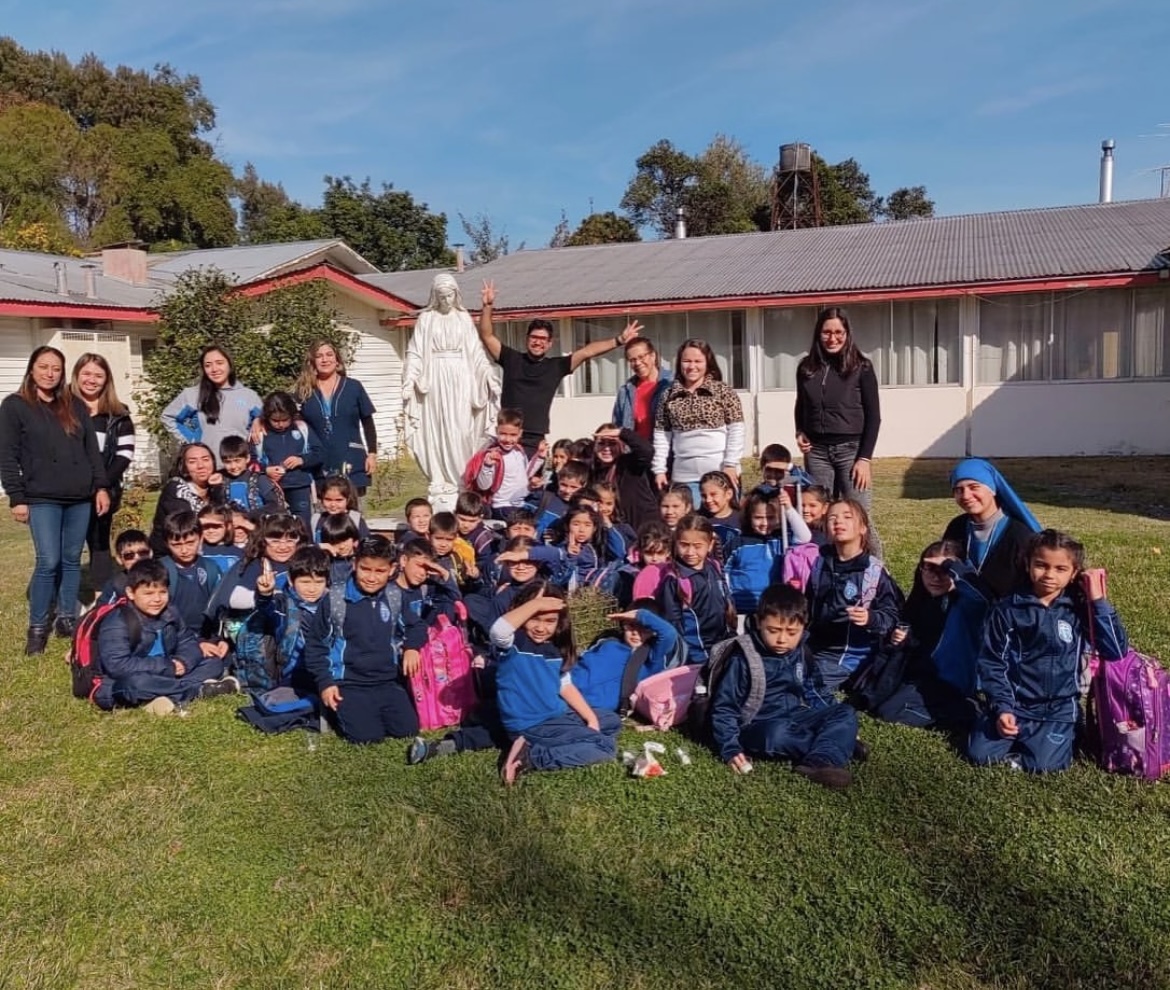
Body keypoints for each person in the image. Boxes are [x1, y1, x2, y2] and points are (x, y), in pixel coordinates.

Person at [967, 530, 1129, 773]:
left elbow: (1115, 650)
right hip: (1017, 704)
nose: (1049, 575)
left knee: (1045, 766)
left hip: (1058, 708)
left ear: (1074, 573)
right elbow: (992, 663)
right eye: (1041, 565)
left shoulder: (1078, 608)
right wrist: (1003, 708)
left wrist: (1098, 601)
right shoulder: (1007, 609)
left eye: (1060, 569)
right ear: (1028, 564)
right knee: (979, 756)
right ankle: (1006, 727)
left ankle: (1066, 731)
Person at [0, 346, 110, 653]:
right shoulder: (15, 406)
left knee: (72, 560)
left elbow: (91, 452)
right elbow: (7, 455)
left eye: (56, 368)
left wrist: (100, 487)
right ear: (32, 369)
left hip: (79, 497)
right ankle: (37, 627)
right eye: (44, 367)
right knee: (48, 560)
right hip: (40, 497)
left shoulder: (73, 405)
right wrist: (16, 497)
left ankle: (66, 619)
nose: (50, 373)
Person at [710, 585, 860, 790]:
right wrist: (730, 748)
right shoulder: (743, 659)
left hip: (794, 715)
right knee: (777, 735)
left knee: (845, 712)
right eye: (773, 631)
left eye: (791, 632)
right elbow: (725, 708)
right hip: (758, 725)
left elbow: (814, 688)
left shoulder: (800, 652)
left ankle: (820, 760)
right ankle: (839, 744)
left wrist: (831, 714)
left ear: (803, 628)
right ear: (758, 623)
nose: (782, 639)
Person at [478, 279, 643, 458]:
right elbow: (487, 335)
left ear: (549, 344)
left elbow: (587, 352)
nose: (537, 342)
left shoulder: (555, 366)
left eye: (543, 339)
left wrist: (619, 340)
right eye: (534, 337)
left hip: (535, 439)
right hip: (507, 433)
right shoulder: (511, 359)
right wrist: (487, 306)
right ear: (527, 339)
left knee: (530, 483)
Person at [492, 582, 623, 785]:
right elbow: (499, 630)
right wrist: (537, 603)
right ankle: (531, 757)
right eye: (534, 617)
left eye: (550, 621)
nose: (541, 627)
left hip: (557, 715)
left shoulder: (553, 649)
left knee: (610, 720)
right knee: (606, 747)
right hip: (532, 724)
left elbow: (565, 685)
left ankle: (575, 739)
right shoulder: (514, 644)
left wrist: (591, 719)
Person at [303, 535, 420, 745]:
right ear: (355, 564)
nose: (372, 577)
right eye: (366, 569)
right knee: (367, 737)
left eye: (380, 571)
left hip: (387, 680)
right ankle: (335, 712)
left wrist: (412, 647)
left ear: (392, 569)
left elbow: (417, 626)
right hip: (349, 683)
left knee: (407, 730)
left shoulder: (395, 596)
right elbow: (315, 645)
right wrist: (325, 682)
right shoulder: (335, 600)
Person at [402, 274, 502, 507]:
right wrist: (409, 379)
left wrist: (488, 376)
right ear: (434, 297)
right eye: (441, 296)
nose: (446, 300)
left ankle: (460, 478)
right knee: (436, 429)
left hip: (461, 379)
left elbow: (476, 352)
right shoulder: (426, 318)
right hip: (434, 379)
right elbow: (415, 352)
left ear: (456, 295)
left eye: (449, 296)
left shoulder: (462, 317)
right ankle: (439, 478)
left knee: (460, 429)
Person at [91, 559, 239, 714]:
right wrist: (169, 667)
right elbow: (117, 666)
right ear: (130, 593)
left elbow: (187, 641)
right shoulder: (117, 621)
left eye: (162, 592)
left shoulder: (170, 612)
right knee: (137, 683)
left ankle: (163, 697)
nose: (157, 599)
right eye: (148, 593)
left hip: (168, 674)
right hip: (123, 682)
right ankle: (199, 690)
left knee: (212, 663)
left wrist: (183, 662)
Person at [794, 308, 883, 558]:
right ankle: (826, 566)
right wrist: (800, 430)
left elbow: (874, 417)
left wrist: (864, 459)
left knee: (859, 515)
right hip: (817, 452)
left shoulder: (861, 367)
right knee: (821, 515)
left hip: (851, 451)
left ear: (847, 334)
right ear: (818, 334)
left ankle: (875, 570)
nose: (832, 338)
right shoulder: (806, 368)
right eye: (826, 332)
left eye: (838, 332)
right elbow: (801, 405)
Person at [802, 499, 901, 699]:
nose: (839, 521)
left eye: (847, 517)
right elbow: (808, 606)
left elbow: (894, 615)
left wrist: (870, 618)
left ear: (863, 528)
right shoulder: (819, 563)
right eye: (832, 517)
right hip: (814, 646)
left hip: (851, 654)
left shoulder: (873, 572)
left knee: (805, 686)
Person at [71, 353, 135, 593]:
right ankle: (64, 601)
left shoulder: (118, 413)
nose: (92, 380)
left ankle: (102, 597)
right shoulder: (62, 410)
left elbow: (124, 454)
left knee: (98, 544)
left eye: (98, 375)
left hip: (103, 491)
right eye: (86, 373)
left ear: (107, 379)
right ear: (76, 375)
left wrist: (101, 485)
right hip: (67, 490)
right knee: (66, 549)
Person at [652, 339, 745, 498]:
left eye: (698, 361)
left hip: (720, 474)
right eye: (686, 361)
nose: (692, 366)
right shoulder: (668, 395)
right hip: (684, 478)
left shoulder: (723, 391)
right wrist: (659, 470)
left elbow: (736, 430)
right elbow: (662, 436)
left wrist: (730, 465)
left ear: (707, 362)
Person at [295, 338, 378, 496]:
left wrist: (372, 454)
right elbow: (284, 415)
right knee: (325, 515)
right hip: (319, 463)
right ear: (313, 361)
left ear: (337, 359)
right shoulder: (304, 390)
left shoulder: (353, 387)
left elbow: (368, 422)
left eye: (329, 354)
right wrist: (259, 421)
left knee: (353, 515)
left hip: (350, 459)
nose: (325, 359)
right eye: (319, 356)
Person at [161, 345, 262, 466]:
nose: (214, 369)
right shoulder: (192, 394)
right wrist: (192, 440)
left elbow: (268, 421)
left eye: (219, 363)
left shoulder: (249, 395)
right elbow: (168, 417)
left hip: (240, 469)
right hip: (208, 469)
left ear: (229, 364)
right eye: (208, 365)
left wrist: (259, 419)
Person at [659, 513, 734, 665]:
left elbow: (726, 601)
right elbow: (673, 625)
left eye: (697, 546)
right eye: (684, 545)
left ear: (710, 544)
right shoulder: (675, 580)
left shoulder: (714, 566)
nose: (690, 552)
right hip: (696, 656)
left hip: (723, 646)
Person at [254, 390, 322, 531]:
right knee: (274, 527)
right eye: (275, 421)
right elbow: (249, 461)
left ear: (292, 415)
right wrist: (265, 470)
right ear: (267, 417)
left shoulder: (302, 428)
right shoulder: (260, 433)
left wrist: (301, 460)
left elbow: (320, 453)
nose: (280, 425)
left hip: (300, 486)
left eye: (285, 420)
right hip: (271, 489)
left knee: (303, 527)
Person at [148, 443, 224, 557]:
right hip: (171, 555)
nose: (200, 466)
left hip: (202, 551)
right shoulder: (176, 488)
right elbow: (189, 524)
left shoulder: (216, 487)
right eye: (192, 462)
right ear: (184, 467)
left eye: (205, 459)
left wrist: (218, 489)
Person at [591, 422, 657, 531]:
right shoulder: (593, 472)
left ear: (621, 445)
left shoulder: (631, 464)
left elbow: (647, 451)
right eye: (601, 443)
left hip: (643, 530)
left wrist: (622, 433)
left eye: (612, 443)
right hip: (616, 533)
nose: (606, 448)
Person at [611, 336, 674, 440]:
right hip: (634, 453)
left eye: (641, 357)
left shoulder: (672, 384)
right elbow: (617, 426)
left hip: (665, 451)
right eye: (632, 360)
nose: (638, 363)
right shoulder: (625, 391)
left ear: (653, 356)